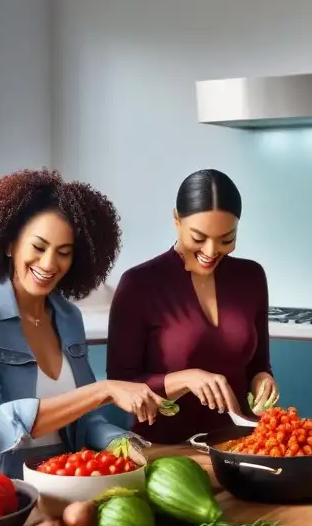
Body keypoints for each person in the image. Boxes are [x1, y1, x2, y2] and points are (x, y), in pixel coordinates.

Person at [0, 169, 162, 478]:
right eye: (39, 248)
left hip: (57, 481)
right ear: (9, 244)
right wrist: (103, 390)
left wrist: (122, 444)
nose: (49, 264)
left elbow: (84, 420)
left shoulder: (69, 317)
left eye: (64, 253)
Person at [106, 169, 278, 444]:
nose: (211, 251)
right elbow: (120, 387)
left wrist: (262, 381)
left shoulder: (252, 277)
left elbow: (259, 365)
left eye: (226, 240)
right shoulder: (139, 284)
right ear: (176, 220)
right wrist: (186, 379)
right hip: (165, 450)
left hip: (242, 445)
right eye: (198, 238)